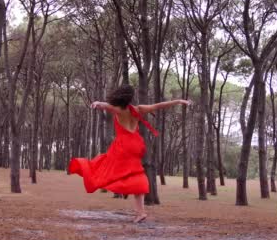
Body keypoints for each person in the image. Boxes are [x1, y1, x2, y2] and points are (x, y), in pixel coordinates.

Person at [68, 84, 191, 223]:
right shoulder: (138, 109)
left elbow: (105, 105)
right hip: (137, 145)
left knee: (105, 164)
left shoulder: (119, 110)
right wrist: (179, 101)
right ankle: (140, 212)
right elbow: (159, 105)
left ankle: (91, 172)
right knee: (135, 174)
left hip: (123, 146)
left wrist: (97, 103)